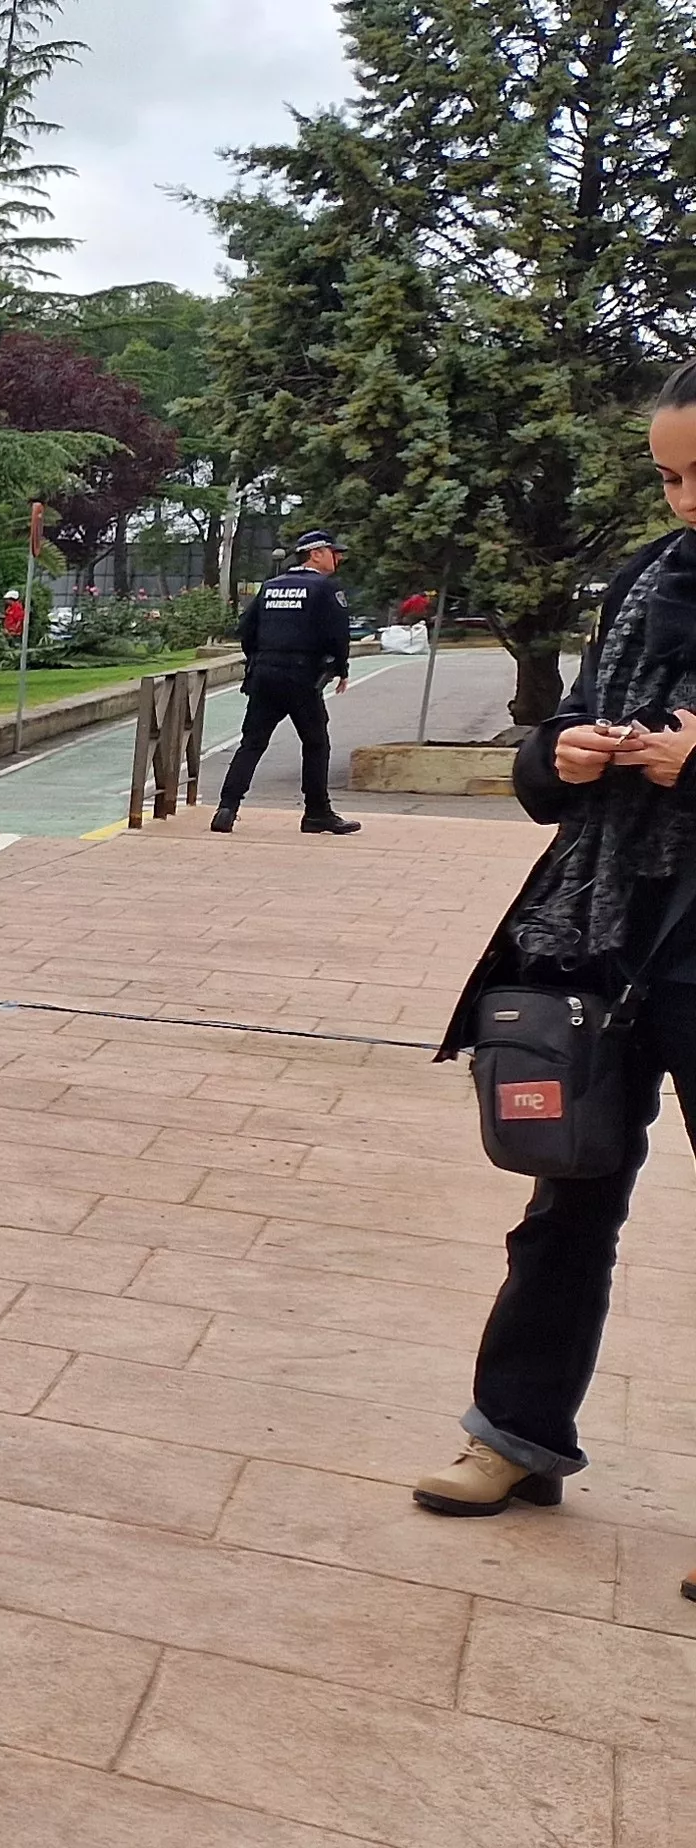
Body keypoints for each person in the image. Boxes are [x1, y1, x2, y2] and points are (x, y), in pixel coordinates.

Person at [421, 361, 696, 1533]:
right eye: (668, 476)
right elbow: (556, 741)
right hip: (602, 932)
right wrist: (563, 753)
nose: (683, 499)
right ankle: (513, 1438)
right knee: (566, 1195)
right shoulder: (645, 579)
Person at [215, 531, 362, 835]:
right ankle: (317, 813)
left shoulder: (271, 586)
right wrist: (341, 668)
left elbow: (246, 629)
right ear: (316, 554)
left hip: (264, 675)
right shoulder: (325, 588)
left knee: (252, 743)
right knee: (316, 743)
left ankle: (226, 808)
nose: (338, 558)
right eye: (333, 552)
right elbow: (338, 634)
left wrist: (258, 661)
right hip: (301, 677)